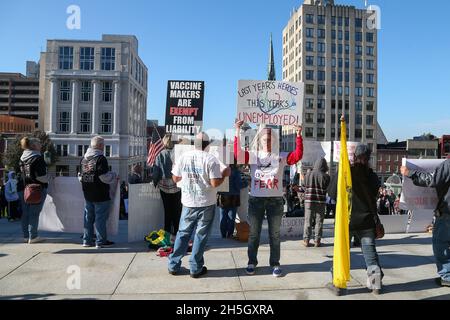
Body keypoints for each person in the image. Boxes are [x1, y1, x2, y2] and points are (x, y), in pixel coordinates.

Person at [234, 120, 303, 277]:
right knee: (254, 234)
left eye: (271, 138)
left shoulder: (281, 156)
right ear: (259, 140)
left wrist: (299, 135)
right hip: (256, 200)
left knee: (275, 235)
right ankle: (252, 262)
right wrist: (237, 131)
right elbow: (238, 155)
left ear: (275, 140)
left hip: (276, 201)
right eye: (265, 139)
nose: (268, 141)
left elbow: (297, 156)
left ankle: (275, 263)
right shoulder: (253, 156)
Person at [168, 132, 230, 278]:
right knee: (200, 235)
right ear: (207, 145)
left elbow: (175, 178)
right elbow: (215, 183)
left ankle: (173, 265)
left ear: (194, 144)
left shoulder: (183, 157)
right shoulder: (211, 159)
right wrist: (224, 175)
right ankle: (195, 268)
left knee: (182, 233)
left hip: (188, 202)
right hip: (206, 203)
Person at [328, 144, 383, 295]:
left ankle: (338, 284)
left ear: (354, 157)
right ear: (369, 158)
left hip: (347, 221)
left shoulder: (345, 173)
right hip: (367, 222)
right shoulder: (372, 176)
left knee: (341, 253)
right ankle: (375, 285)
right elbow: (374, 196)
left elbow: (332, 194)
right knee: (370, 255)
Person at [401, 158, 450, 287]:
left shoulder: (448, 164)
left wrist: (409, 173)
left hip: (447, 213)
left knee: (441, 244)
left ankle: (447, 276)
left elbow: (431, 180)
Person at [79, 136, 118, 248]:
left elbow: (80, 176)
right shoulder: (101, 159)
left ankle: (87, 240)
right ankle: (100, 242)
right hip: (100, 193)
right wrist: (114, 176)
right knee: (100, 219)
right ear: (101, 145)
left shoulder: (84, 159)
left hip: (87, 193)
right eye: (103, 144)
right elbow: (103, 177)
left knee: (88, 218)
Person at [19, 137, 48, 244]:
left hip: (25, 188)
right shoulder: (38, 158)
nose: (41, 145)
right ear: (34, 146)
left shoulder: (22, 158)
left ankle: (26, 236)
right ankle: (33, 236)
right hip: (37, 188)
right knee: (34, 213)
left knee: (25, 213)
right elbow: (41, 176)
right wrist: (49, 178)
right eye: (39, 143)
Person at [153, 134, 182, 237]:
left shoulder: (160, 154)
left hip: (164, 186)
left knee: (167, 211)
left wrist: (154, 183)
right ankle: (177, 234)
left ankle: (167, 234)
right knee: (177, 211)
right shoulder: (179, 154)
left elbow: (156, 172)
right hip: (177, 186)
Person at [303, 159, 330, 248]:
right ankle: (317, 241)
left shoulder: (308, 174)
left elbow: (304, 185)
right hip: (320, 201)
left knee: (308, 221)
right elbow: (327, 188)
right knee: (319, 222)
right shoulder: (326, 176)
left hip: (309, 201)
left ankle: (306, 240)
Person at [217, 164, 245, 238]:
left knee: (223, 216)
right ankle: (229, 234)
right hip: (233, 196)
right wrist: (246, 182)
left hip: (222, 195)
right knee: (231, 216)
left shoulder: (221, 170)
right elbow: (238, 185)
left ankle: (223, 234)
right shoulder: (235, 172)